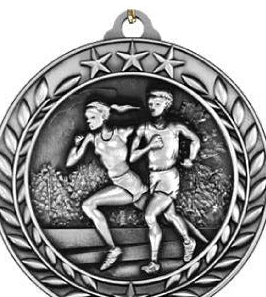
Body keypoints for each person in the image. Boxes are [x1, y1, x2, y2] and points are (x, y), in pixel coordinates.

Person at [66, 101, 147, 271]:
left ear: (103, 117)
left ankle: (113, 249)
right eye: (87, 119)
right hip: (118, 183)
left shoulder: (121, 132)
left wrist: (121, 109)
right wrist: (76, 144)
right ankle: (113, 249)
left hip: (130, 183)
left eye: (92, 117)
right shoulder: (91, 138)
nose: (88, 121)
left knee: (165, 215)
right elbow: (70, 162)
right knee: (88, 205)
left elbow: (144, 116)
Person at [130, 90, 201, 275]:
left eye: (157, 104)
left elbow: (195, 140)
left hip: (169, 177)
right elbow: (132, 156)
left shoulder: (175, 127)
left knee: (149, 216)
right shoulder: (144, 128)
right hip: (154, 177)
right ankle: (188, 242)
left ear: (166, 105)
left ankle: (154, 262)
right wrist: (149, 146)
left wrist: (191, 158)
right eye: (150, 104)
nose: (153, 107)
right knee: (170, 216)